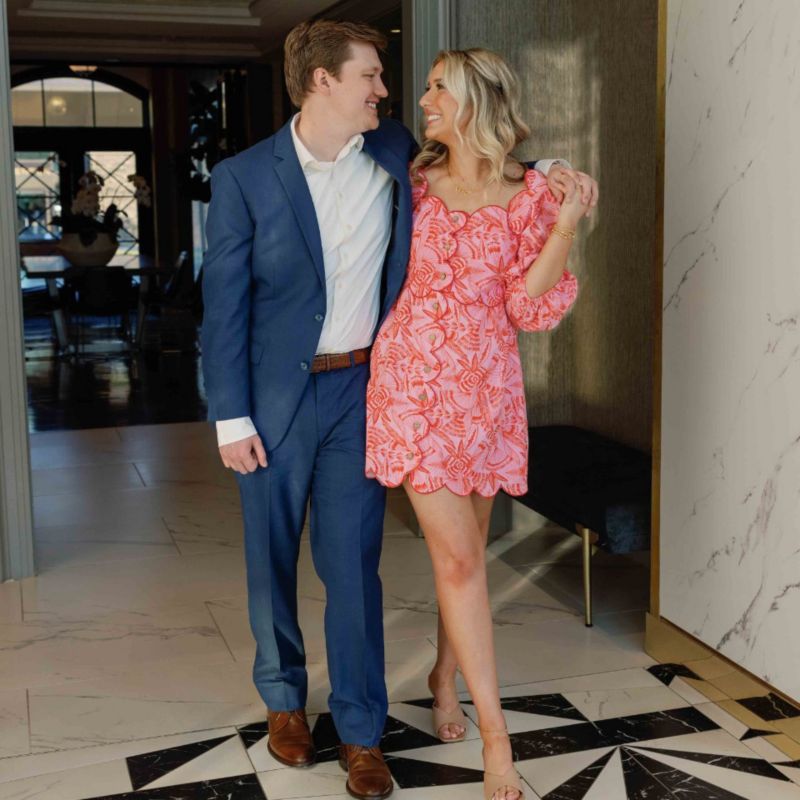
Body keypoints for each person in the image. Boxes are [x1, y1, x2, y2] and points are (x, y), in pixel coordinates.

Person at [202, 19, 596, 800]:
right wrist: (230, 414)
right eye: (372, 76)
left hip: (373, 387)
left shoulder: (392, 153)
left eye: (403, 81)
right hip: (289, 395)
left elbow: (497, 162)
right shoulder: (246, 177)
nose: (391, 91)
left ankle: (361, 731)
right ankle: (284, 699)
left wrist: (554, 175)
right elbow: (224, 304)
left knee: (355, 562)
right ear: (324, 82)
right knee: (271, 554)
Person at [365, 48, 591, 800]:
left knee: (464, 561)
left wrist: (564, 224)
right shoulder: (409, 178)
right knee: (460, 562)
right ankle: (498, 740)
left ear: (476, 99)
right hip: (411, 388)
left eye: (439, 88)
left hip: (487, 394)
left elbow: (527, 307)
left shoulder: (530, 194)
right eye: (428, 86)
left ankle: (443, 675)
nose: (424, 98)